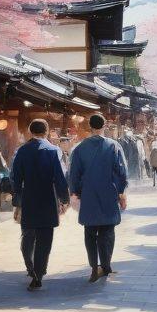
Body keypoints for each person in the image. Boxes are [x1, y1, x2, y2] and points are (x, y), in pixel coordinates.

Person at [10, 119, 70, 290]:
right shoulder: (53, 151)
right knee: (45, 239)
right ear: (46, 131)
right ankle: (39, 273)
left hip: (29, 199)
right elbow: (59, 177)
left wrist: (18, 199)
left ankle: (30, 267)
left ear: (30, 131)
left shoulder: (22, 151)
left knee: (27, 235)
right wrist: (63, 198)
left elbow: (15, 177)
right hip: (47, 199)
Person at [68, 114, 129, 282]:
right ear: (104, 126)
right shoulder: (113, 146)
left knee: (90, 231)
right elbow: (121, 172)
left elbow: (73, 173)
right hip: (109, 193)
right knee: (107, 231)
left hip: (88, 194)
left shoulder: (79, 148)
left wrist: (76, 191)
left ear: (90, 127)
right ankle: (106, 266)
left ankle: (94, 267)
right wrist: (121, 192)